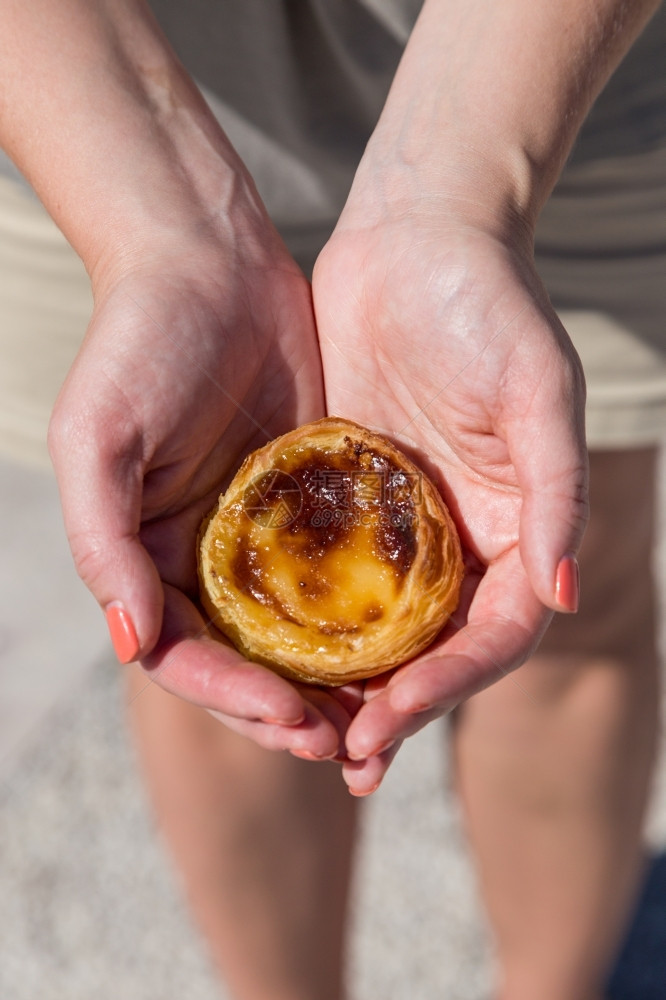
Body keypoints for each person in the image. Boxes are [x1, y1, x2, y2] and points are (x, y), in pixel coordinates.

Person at [1, 1, 664, 998]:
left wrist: (457, 185)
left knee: (568, 583)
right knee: (201, 628)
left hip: (558, 64)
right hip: (84, 98)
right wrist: (155, 228)